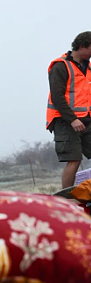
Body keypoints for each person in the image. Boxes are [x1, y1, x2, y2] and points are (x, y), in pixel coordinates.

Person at [46, 31, 91, 188]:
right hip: (66, 120)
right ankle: (67, 200)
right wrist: (72, 119)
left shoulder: (89, 67)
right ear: (82, 46)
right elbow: (57, 97)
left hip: (87, 118)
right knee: (74, 159)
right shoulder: (61, 66)